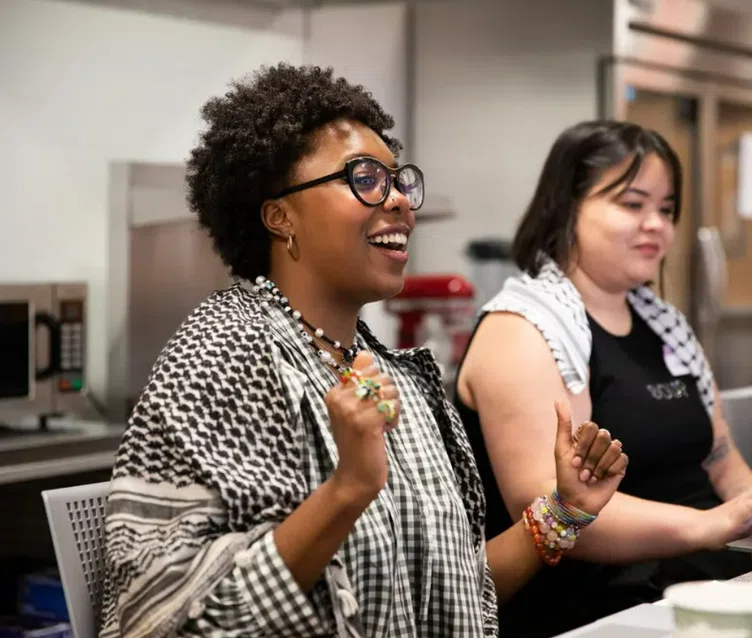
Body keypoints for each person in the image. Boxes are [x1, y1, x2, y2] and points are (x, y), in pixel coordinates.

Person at [99, 64, 630, 638]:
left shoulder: (393, 374)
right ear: (280, 216)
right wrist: (347, 490)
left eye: (398, 180)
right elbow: (160, 621)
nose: (400, 200)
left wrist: (564, 510)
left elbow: (452, 593)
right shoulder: (224, 352)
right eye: (365, 178)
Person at [455, 120, 752, 636]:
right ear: (567, 207)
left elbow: (725, 466)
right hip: (604, 611)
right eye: (632, 204)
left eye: (666, 209)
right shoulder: (521, 329)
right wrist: (711, 526)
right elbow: (551, 507)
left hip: (713, 596)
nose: (656, 224)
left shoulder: (665, 325)